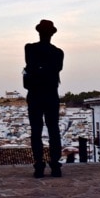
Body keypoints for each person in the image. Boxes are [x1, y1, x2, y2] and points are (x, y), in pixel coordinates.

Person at [24, 19, 64, 178]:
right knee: (54, 129)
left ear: (38, 32)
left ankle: (39, 165)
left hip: (34, 93)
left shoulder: (30, 48)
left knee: (36, 130)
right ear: (52, 34)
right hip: (51, 93)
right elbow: (58, 68)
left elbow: (30, 65)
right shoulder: (58, 52)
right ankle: (55, 165)